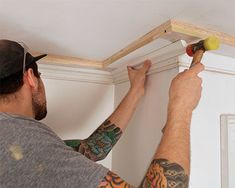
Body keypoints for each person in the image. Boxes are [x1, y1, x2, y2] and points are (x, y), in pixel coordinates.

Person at [0, 39, 204, 188]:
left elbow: (90, 150)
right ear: (30, 78)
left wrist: (135, 92)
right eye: (40, 75)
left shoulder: (16, 140)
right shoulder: (25, 140)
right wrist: (181, 108)